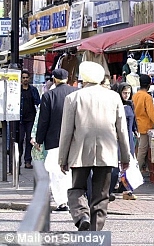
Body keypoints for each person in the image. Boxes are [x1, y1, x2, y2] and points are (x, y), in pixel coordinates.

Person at [58, 61, 131, 231]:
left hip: (80, 151)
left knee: (77, 188)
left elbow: (67, 131)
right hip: (108, 152)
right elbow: (122, 130)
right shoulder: (114, 97)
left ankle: (81, 215)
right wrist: (125, 156)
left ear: (83, 78)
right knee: (101, 194)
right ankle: (95, 230)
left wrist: (63, 158)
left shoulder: (73, 98)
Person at [35, 68, 77, 212]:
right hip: (74, 139)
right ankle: (73, 200)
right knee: (72, 171)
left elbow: (43, 121)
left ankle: (61, 202)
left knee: (55, 172)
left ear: (54, 80)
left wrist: (39, 140)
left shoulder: (48, 96)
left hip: (54, 140)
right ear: (68, 78)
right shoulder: (76, 93)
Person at [132, 75, 154, 176]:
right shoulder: (147, 97)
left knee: (140, 149)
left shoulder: (135, 95)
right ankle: (135, 173)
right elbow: (152, 114)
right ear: (149, 85)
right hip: (145, 127)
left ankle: (144, 168)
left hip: (137, 125)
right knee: (142, 150)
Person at [114, 82, 139, 201]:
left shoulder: (130, 105)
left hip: (129, 137)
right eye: (124, 93)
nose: (127, 95)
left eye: (128, 93)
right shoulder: (115, 104)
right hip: (118, 137)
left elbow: (133, 120)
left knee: (129, 162)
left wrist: (135, 130)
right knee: (119, 162)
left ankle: (128, 188)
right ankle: (118, 185)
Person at [18, 70, 41, 169]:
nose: (25, 79)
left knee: (29, 140)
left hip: (31, 118)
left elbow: (38, 103)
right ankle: (17, 160)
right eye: (23, 78)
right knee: (19, 139)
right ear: (21, 79)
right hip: (20, 119)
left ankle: (27, 160)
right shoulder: (18, 90)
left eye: (27, 77)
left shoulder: (33, 90)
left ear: (29, 78)